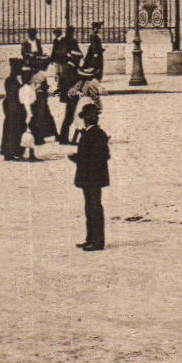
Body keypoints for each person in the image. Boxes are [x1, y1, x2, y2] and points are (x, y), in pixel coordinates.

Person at [69, 102, 110, 251]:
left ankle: (97, 241)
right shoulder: (95, 133)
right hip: (92, 177)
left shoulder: (95, 134)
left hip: (92, 176)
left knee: (94, 207)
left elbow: (99, 156)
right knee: (90, 207)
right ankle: (91, 238)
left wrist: (78, 158)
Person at [0, 59, 26, 161]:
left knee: (11, 130)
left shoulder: (9, 80)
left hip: (10, 108)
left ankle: (12, 152)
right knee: (14, 131)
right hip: (15, 109)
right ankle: (12, 152)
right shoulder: (14, 81)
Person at [16, 74, 39, 161]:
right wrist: (29, 114)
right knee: (30, 132)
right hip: (28, 111)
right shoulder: (27, 89)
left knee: (28, 132)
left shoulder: (25, 88)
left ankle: (24, 153)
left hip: (27, 110)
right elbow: (27, 103)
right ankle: (30, 154)